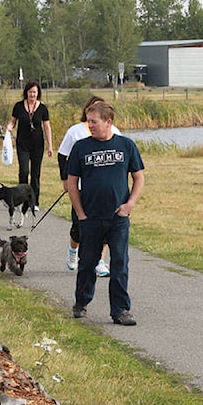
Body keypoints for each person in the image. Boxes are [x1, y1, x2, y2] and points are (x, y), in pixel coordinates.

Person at [66, 101, 144, 326]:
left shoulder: (126, 145)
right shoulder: (81, 148)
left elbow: (138, 177)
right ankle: (81, 302)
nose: (90, 125)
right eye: (88, 121)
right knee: (88, 262)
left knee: (119, 262)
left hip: (118, 217)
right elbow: (72, 184)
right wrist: (80, 213)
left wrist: (130, 204)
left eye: (94, 121)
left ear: (108, 122)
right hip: (90, 217)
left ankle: (120, 309)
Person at [58, 95, 122, 277]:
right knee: (79, 228)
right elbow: (62, 155)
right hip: (81, 188)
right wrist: (66, 180)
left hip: (105, 191)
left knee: (105, 227)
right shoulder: (75, 132)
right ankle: (73, 251)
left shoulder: (115, 132)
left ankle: (100, 261)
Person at [7, 81, 53, 213]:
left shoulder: (43, 108)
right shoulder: (18, 106)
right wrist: (10, 127)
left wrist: (50, 146)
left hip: (37, 145)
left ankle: (34, 201)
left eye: (35, 92)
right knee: (24, 171)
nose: (32, 94)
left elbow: (47, 127)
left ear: (38, 93)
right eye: (30, 92)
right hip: (22, 144)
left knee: (35, 174)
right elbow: (13, 122)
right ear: (26, 92)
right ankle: (20, 199)